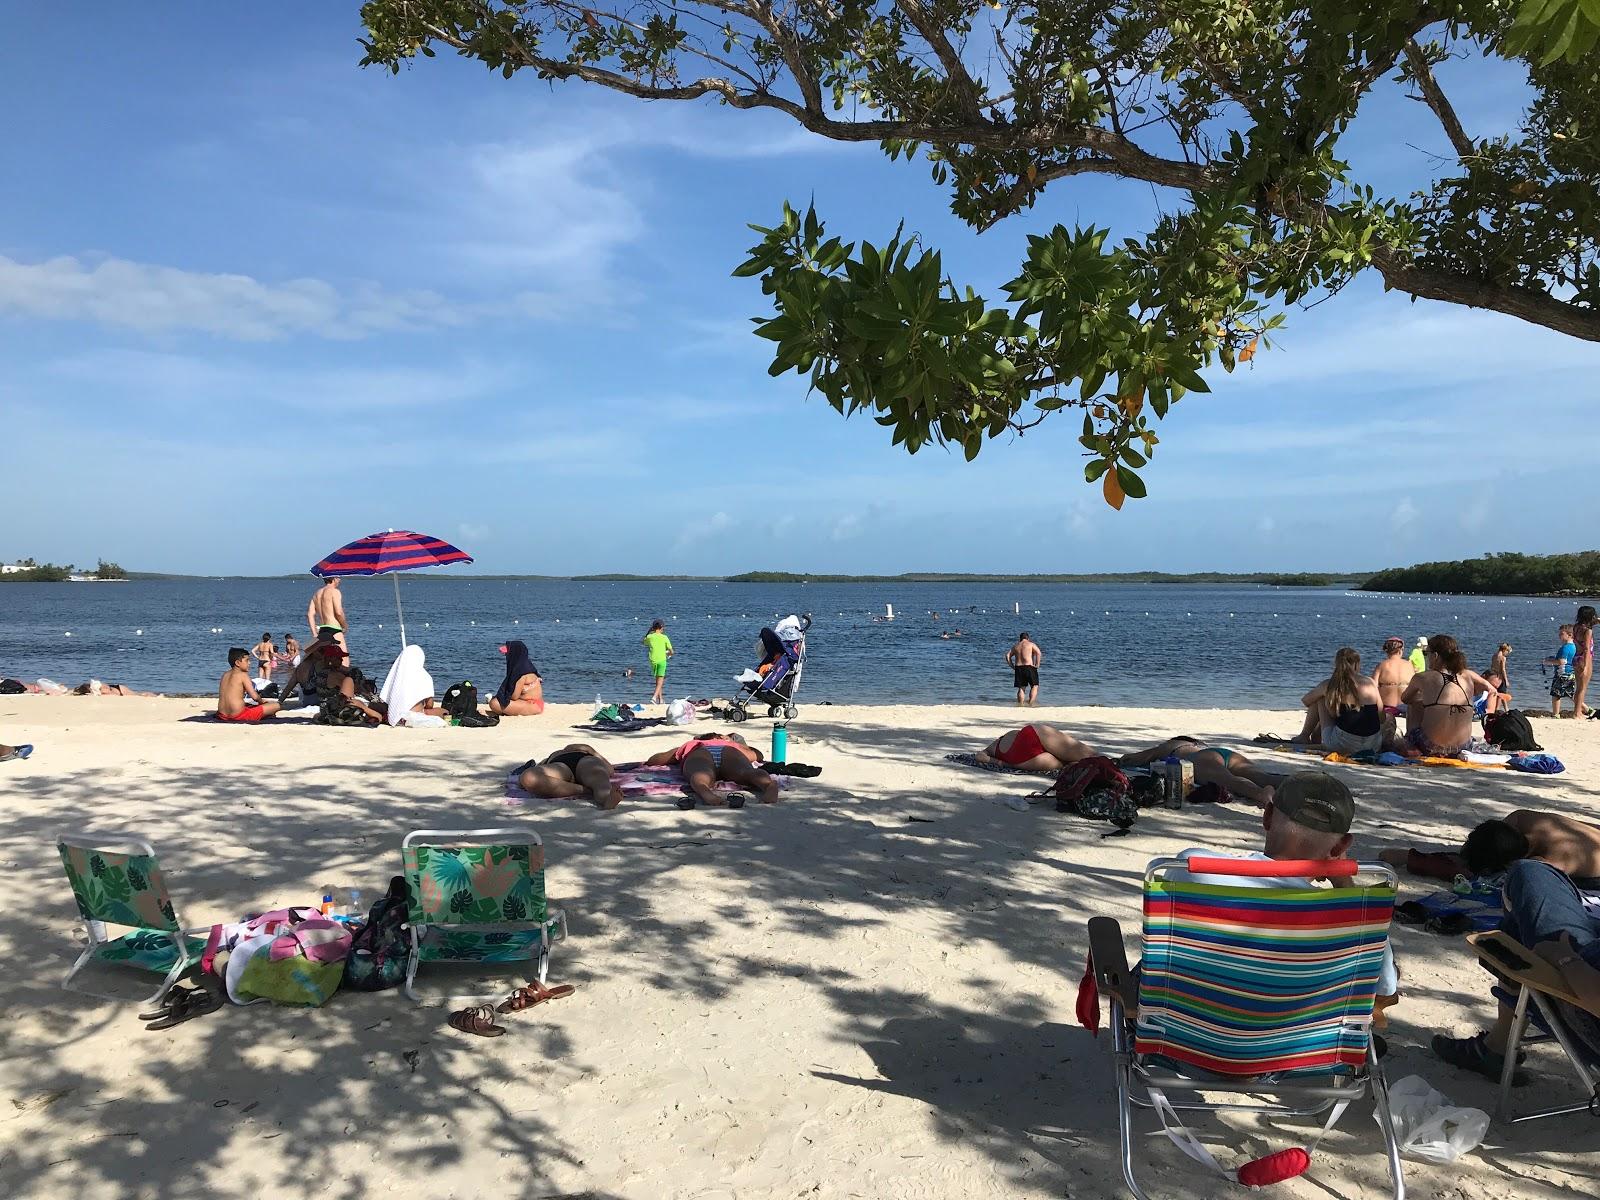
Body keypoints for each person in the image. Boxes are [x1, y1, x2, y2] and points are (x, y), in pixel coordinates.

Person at [1168, 770, 1398, 1010]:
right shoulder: (1357, 918)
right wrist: (1344, 886)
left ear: (1267, 817)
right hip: (1303, 1046)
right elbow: (1385, 988)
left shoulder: (1192, 867)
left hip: (1184, 1037)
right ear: (1341, 846)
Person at [1431, 858, 1600, 1082]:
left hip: (1582, 997)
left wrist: (1565, 958)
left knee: (1529, 875)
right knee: (1523, 912)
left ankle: (1496, 1047)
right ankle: (1496, 1047)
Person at [1397, 633, 1494, 758]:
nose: (1426, 657)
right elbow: (1490, 688)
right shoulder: (1468, 674)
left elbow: (1405, 698)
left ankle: (1411, 745)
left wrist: (1426, 698)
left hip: (1431, 746)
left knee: (1414, 704)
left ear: (1435, 656)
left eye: (1426, 654)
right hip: (1463, 746)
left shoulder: (1423, 677)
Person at [1117, 737, 1285, 806]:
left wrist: (1121, 760)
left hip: (1202, 759)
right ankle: (1298, 783)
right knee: (1263, 776)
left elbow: (1134, 758)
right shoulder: (1197, 745)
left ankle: (1261, 794)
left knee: (1231, 781)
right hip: (1225, 753)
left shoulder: (1170, 746)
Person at [646, 732, 779, 806]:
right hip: (729, 752)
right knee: (747, 772)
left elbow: (657, 760)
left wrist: (675, 753)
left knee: (700, 775)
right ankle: (769, 784)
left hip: (701, 752)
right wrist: (739, 745)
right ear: (719, 737)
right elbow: (758, 755)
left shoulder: (693, 744)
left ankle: (705, 792)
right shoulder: (730, 744)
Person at [1293, 647, 1385, 754]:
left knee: (1320, 698)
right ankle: (1313, 736)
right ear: (1357, 664)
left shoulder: (1330, 684)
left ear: (1337, 664)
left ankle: (1304, 736)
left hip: (1342, 745)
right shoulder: (1370, 682)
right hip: (1373, 746)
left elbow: (1306, 701)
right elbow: (1381, 717)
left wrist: (1330, 700)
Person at [517, 744, 620, 809]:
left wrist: (591, 750)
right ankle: (586, 790)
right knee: (529, 777)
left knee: (598, 775)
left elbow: (610, 770)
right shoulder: (551, 757)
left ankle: (606, 798)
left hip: (584, 759)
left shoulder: (587, 751)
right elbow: (532, 775)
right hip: (560, 765)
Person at [976, 723, 1097, 771]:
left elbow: (980, 756)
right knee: (1091, 756)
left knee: (1069, 763)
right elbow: (980, 756)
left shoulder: (993, 748)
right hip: (1029, 737)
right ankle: (1113, 768)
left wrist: (1002, 763)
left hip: (1022, 761)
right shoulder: (1001, 741)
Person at [378, 644, 448, 727]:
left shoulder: (397, 675)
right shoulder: (425, 676)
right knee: (444, 712)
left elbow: (386, 698)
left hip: (394, 716)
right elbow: (429, 705)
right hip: (415, 715)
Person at [217, 648, 280, 722]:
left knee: (247, 704)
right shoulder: (243, 675)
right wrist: (262, 702)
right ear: (237, 663)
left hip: (222, 715)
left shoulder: (225, 675)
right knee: (276, 706)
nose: (249, 663)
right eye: (247, 660)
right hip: (238, 716)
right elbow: (255, 697)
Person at [491, 640, 545, 716]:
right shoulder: (526, 665)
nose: (506, 657)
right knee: (498, 700)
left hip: (533, 705)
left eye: (508, 654)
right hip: (535, 702)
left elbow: (514, 697)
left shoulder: (520, 672)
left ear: (514, 655)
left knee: (494, 703)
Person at [1372, 636, 1415, 715]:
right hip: (1406, 707)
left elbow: (1373, 688)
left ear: (1387, 651)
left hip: (1387, 708)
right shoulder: (1409, 665)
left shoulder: (1381, 666)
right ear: (1401, 650)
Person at [1544, 624, 1578, 718]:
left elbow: (1562, 661)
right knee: (1570, 694)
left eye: (1562, 634)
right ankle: (1587, 709)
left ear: (1570, 634)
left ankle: (1556, 714)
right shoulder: (1573, 646)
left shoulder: (1565, 647)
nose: (1559, 635)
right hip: (1570, 673)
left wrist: (1548, 661)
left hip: (1562, 674)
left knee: (1555, 694)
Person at [308, 578, 348, 650]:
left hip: (322, 631)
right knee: (344, 659)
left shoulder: (316, 594)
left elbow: (310, 614)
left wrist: (314, 633)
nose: (340, 580)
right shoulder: (335, 591)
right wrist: (345, 626)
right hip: (334, 629)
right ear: (334, 579)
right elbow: (338, 612)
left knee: (327, 659)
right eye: (338, 578)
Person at [1572, 605, 1596, 719]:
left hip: (1576, 657)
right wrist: (1586, 665)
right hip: (1584, 658)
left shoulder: (1576, 627)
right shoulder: (1588, 630)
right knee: (1582, 688)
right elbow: (1586, 648)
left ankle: (1576, 711)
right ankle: (1577, 713)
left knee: (1579, 687)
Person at [643, 619, 674, 705]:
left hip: (653, 660)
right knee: (660, 681)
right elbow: (672, 651)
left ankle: (661, 700)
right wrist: (668, 653)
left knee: (658, 681)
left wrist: (649, 632)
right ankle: (654, 697)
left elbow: (644, 641)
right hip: (662, 660)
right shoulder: (664, 637)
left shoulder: (650, 637)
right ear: (661, 627)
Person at [1006, 631, 1042, 705]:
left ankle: (1021, 704)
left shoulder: (1016, 646)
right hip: (1029, 667)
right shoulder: (1031, 644)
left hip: (1018, 667)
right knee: (1034, 686)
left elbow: (1007, 656)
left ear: (1020, 639)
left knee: (1021, 688)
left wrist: (1012, 666)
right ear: (1028, 638)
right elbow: (1038, 653)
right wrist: (1037, 664)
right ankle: (1031, 703)